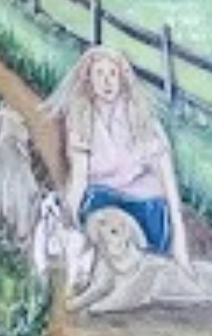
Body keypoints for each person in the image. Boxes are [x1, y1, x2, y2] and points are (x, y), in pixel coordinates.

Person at [48, 46, 190, 264]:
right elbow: (79, 179)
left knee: (149, 259)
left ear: (122, 79)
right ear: (89, 80)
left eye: (113, 74)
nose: (107, 82)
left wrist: (179, 240)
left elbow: (167, 177)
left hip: (144, 200)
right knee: (98, 251)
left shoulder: (140, 115)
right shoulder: (80, 117)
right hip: (102, 197)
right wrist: (66, 223)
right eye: (100, 74)